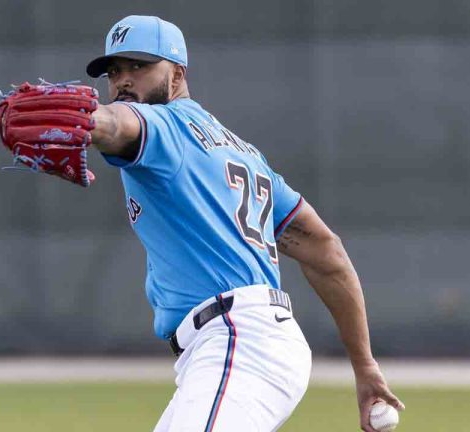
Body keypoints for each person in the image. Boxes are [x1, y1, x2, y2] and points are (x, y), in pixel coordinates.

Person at [85, 15, 405, 432]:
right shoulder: (242, 153)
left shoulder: (166, 126)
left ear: (177, 73)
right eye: (114, 71)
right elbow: (326, 252)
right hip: (239, 347)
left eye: (139, 66)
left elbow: (116, 122)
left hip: (238, 339)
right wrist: (365, 365)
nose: (124, 80)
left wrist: (85, 120)